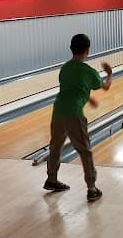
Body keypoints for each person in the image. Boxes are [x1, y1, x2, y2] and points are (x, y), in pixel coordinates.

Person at [44, 33, 112, 202]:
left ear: (71, 49)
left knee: (55, 147)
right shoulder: (88, 71)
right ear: (87, 50)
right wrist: (110, 74)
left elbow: (71, 88)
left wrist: (88, 98)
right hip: (74, 113)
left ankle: (51, 179)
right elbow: (105, 87)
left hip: (58, 111)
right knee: (84, 150)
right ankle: (92, 188)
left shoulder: (65, 68)